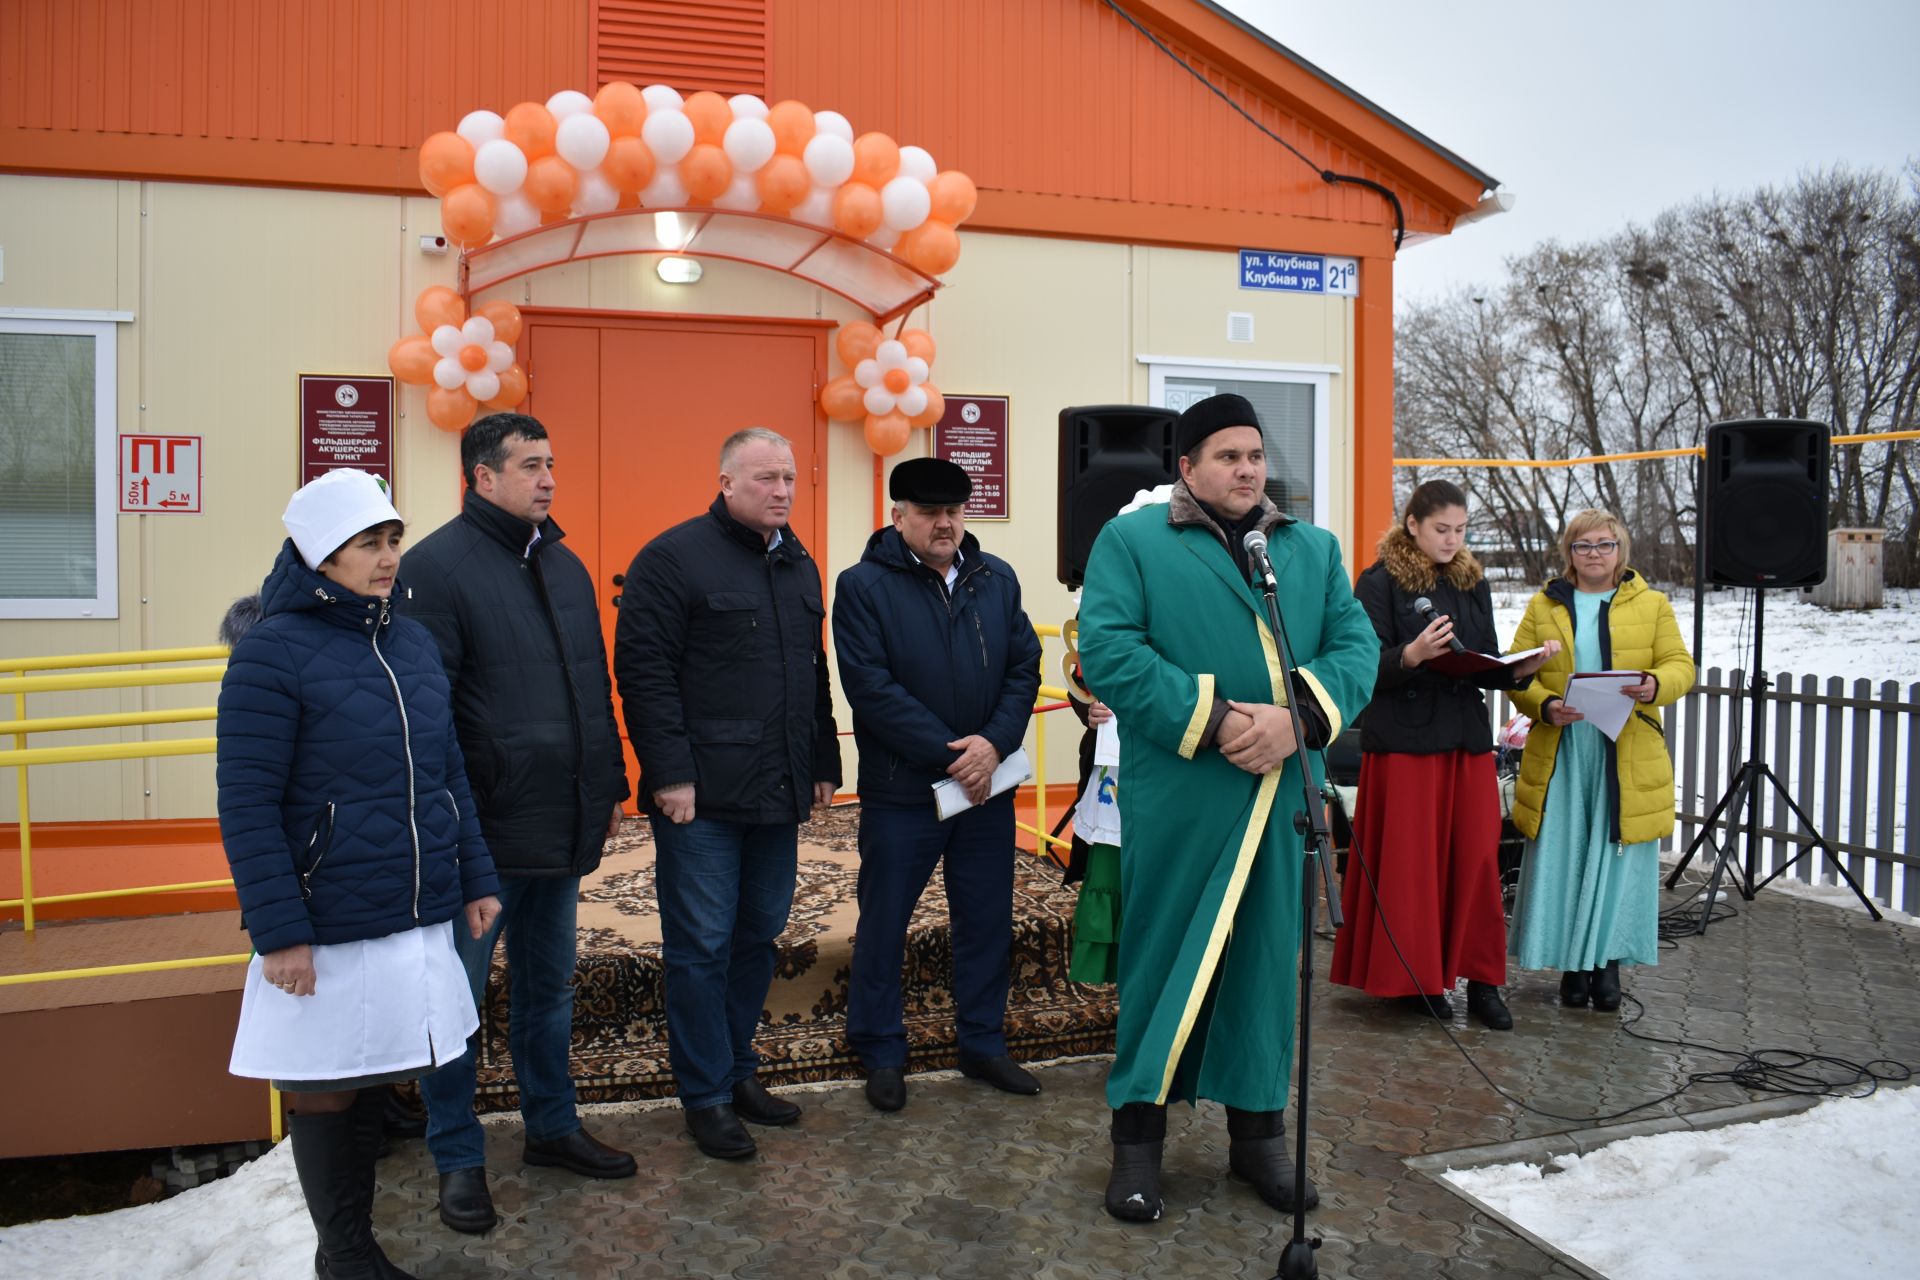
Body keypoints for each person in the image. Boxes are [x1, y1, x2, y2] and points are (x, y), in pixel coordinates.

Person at [1077, 394, 1378, 1222]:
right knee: (1163, 963)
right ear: (1187, 468)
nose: (1246, 470)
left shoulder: (1308, 550)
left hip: (1281, 796)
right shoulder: (1133, 540)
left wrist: (1300, 718)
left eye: (1254, 456)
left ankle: (1259, 1140)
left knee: (1264, 972)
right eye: (1227, 457)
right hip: (1183, 796)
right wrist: (1214, 720)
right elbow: (1109, 649)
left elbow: (1356, 645)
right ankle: (1137, 1145)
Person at [217, 468, 501, 1279]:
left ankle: (354, 1250)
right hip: (324, 917)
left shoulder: (406, 639)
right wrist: (281, 935)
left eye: (391, 541)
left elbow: (447, 773)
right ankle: (343, 1255)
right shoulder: (272, 651)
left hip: (409, 909)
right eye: (367, 545)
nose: (386, 559)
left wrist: (475, 876)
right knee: (326, 1086)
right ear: (319, 555)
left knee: (379, 1065)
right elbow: (246, 805)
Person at [401, 413, 636, 1233]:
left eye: (551, 463)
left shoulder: (564, 565)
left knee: (548, 991)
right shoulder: (434, 569)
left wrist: (608, 784)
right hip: (482, 835)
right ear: (482, 476)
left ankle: (552, 1127)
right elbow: (428, 721)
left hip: (560, 818)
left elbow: (591, 688)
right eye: (530, 465)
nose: (548, 479)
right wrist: (452, 829)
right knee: (455, 1003)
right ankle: (457, 1157)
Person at [615, 427, 842, 1160]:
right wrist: (669, 774)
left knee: (758, 937)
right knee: (700, 947)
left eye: (789, 479)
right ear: (725, 482)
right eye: (766, 478)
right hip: (703, 798)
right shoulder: (671, 559)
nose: (781, 491)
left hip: (777, 788)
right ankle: (705, 1096)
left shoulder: (799, 562)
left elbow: (812, 674)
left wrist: (823, 759)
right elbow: (643, 675)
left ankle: (737, 1070)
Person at [832, 458, 1044, 1112]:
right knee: (886, 923)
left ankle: (982, 1041)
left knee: (985, 921)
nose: (945, 523)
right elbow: (870, 688)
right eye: (928, 512)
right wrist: (957, 755)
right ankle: (881, 1048)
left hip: (987, 791)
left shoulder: (996, 579)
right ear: (898, 517)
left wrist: (994, 745)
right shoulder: (863, 585)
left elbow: (1022, 670)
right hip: (905, 793)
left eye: (954, 510)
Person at [1329, 480, 1559, 1029]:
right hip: (1406, 746)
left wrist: (1515, 669)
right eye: (1442, 530)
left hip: (1465, 743)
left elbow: (1485, 654)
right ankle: (1418, 980)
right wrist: (1410, 654)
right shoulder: (1378, 582)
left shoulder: (1471, 580)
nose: (1452, 540)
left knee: (1478, 861)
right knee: (1413, 867)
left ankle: (1483, 982)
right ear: (1412, 525)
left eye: (1460, 530)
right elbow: (1362, 667)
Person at [1507, 509, 1693, 1012]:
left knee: (1615, 859)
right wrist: (1544, 705)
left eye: (1604, 545)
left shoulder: (1652, 604)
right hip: (1564, 750)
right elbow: (1517, 672)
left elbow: (1680, 665)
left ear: (1621, 550)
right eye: (1583, 545)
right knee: (1566, 854)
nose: (1594, 554)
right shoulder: (1544, 605)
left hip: (1624, 749)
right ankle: (1572, 965)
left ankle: (1606, 963)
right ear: (1569, 552)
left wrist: (1655, 685)